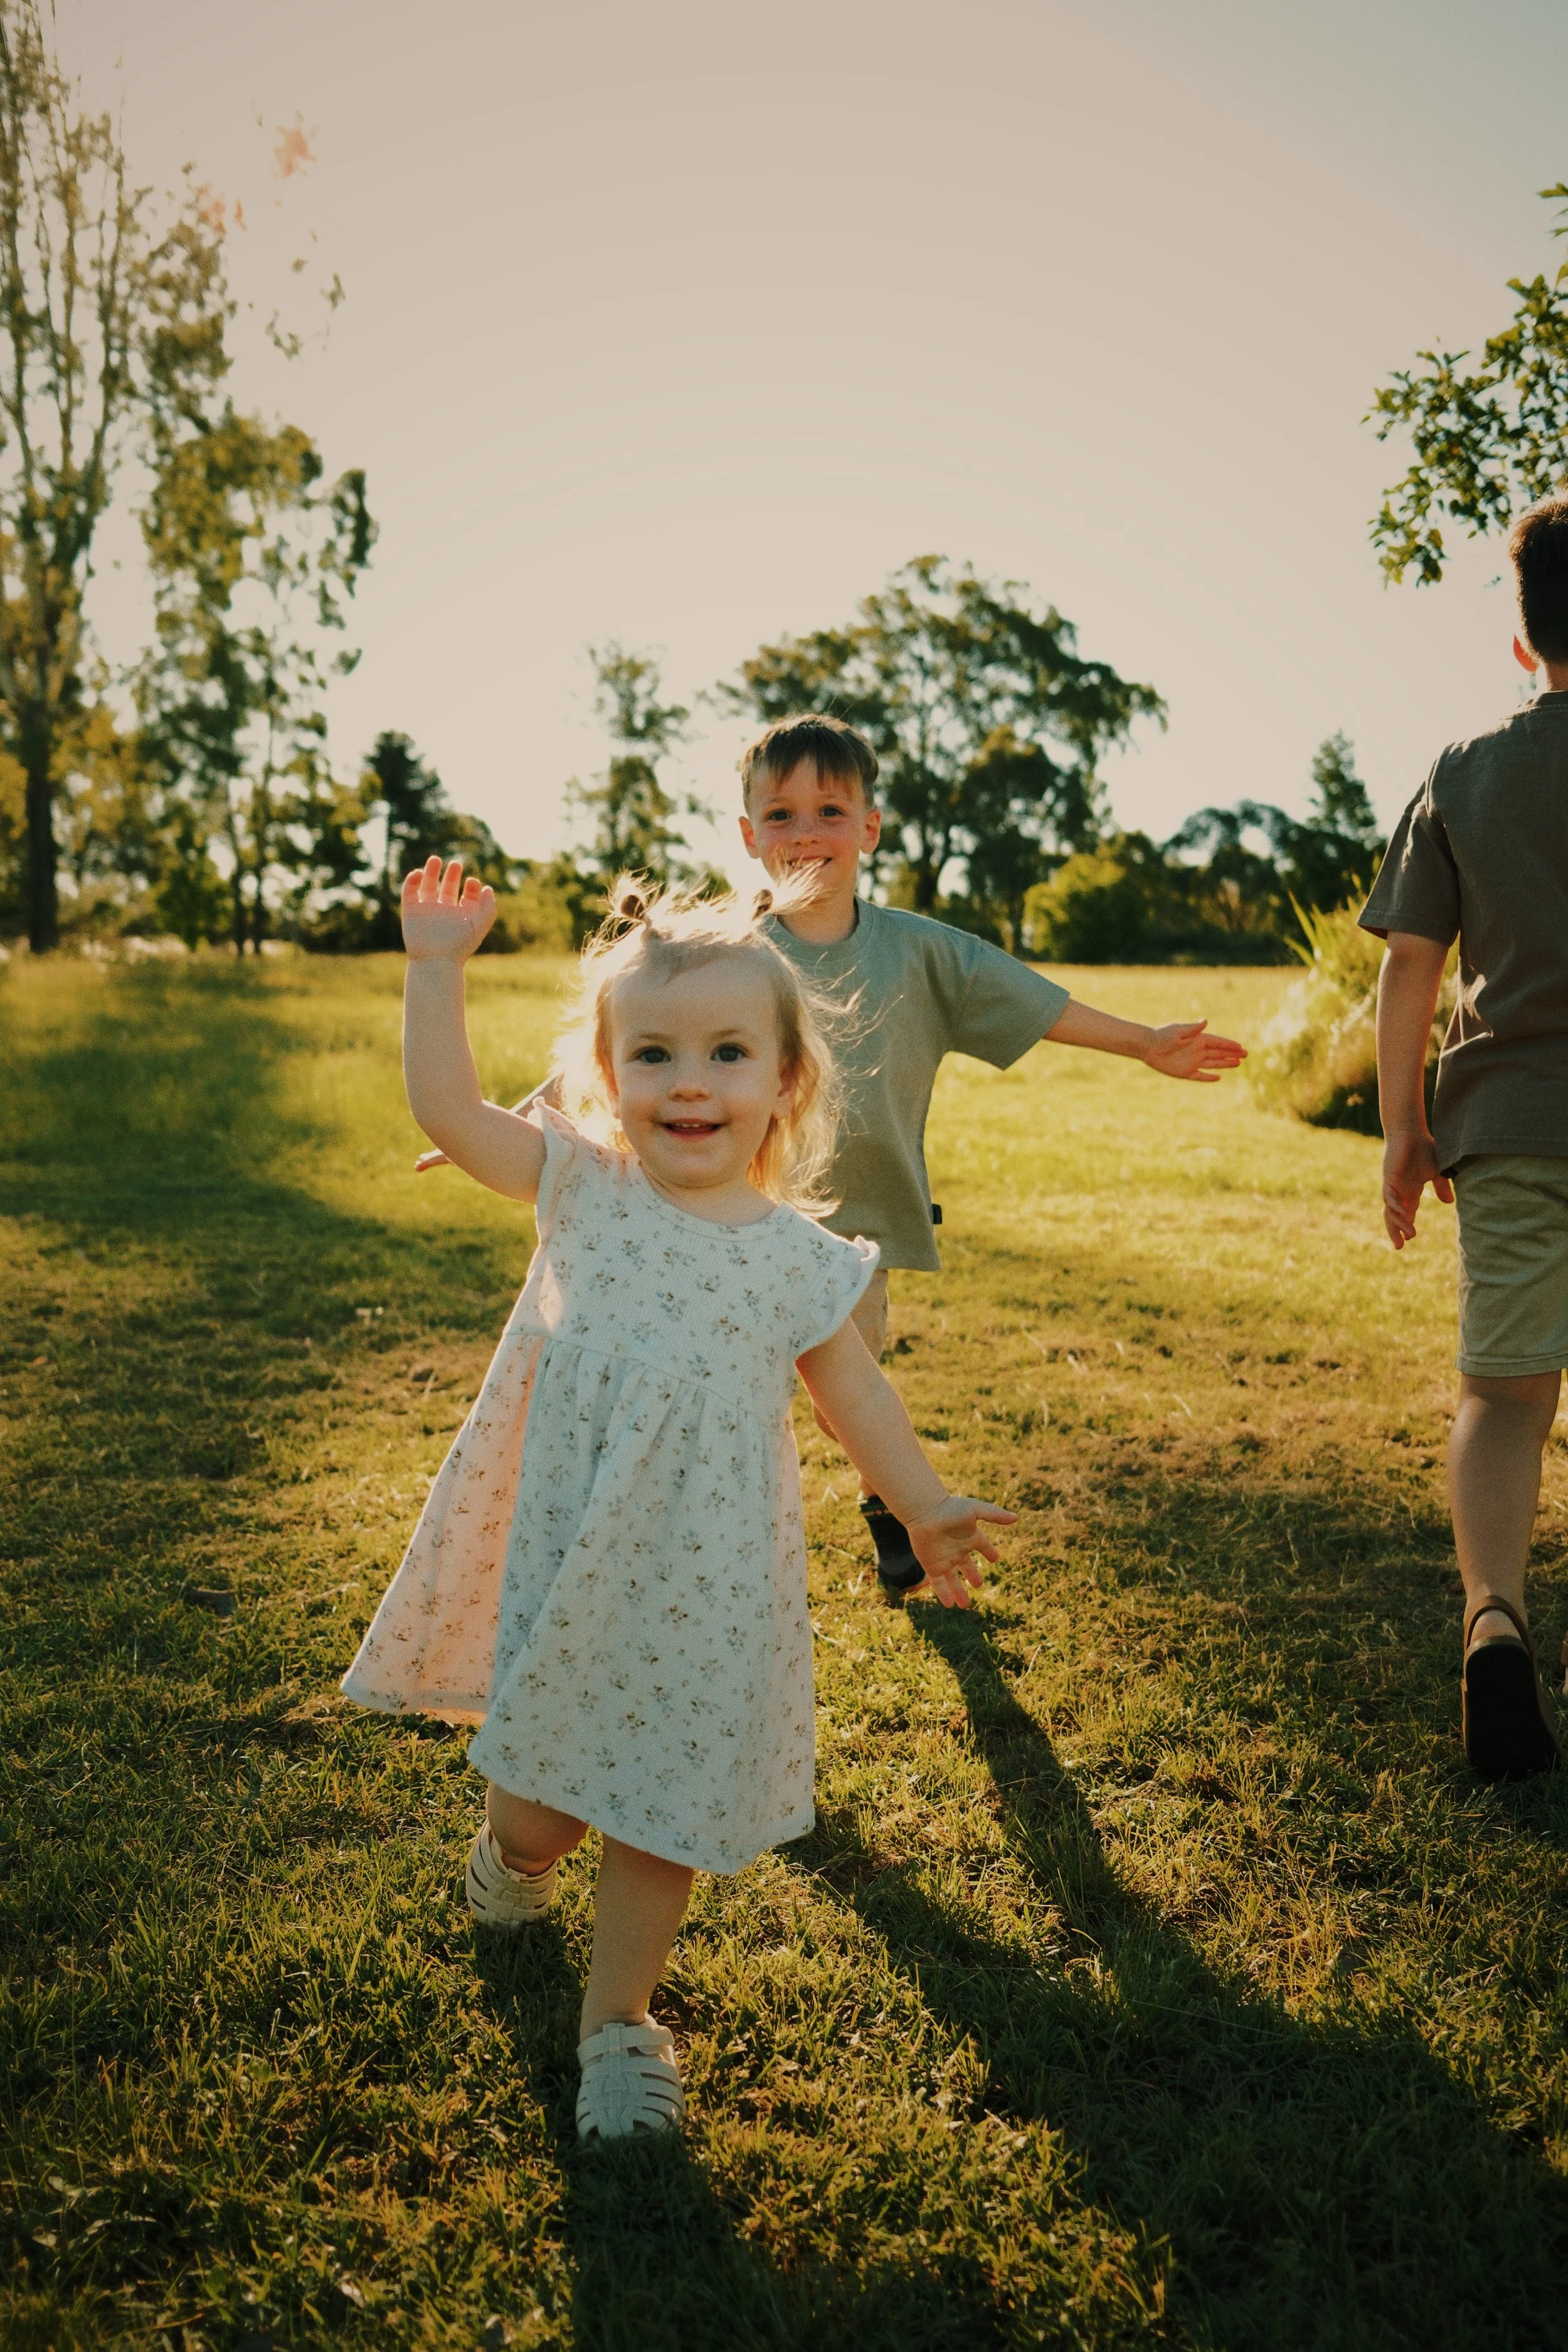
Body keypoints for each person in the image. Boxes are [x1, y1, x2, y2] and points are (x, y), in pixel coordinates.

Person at [343, 856, 1014, 2141]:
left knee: (658, 1804)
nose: (689, 1081)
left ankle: (617, 2027)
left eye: (723, 1054)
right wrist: (436, 970)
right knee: (539, 1801)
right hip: (569, 1547)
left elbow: (854, 1397)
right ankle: (512, 1862)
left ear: (782, 1081)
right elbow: (448, 1111)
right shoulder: (580, 1191)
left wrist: (922, 1503)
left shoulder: (794, 1260)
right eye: (651, 1055)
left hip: (706, 1579)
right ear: (607, 1077)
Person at [735, 713, 1248, 1592]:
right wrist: (526, 1115)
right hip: (739, 1215)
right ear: (748, 836)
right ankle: (741, 1546)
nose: (806, 832)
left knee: (838, 1400)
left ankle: (886, 1497)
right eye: (780, 815)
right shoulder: (726, 952)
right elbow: (623, 1046)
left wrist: (1143, 1041)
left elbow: (1032, 1002)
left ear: (870, 827)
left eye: (829, 809)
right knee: (741, 1399)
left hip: (856, 1228)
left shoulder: (921, 950)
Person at [1360, 492, 1568, 1781]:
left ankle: (1491, 1618)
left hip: (1501, 1126)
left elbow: (1408, 971)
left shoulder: (1463, 772)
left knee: (1501, 1396)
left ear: (1521, 644)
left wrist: (1403, 1128)